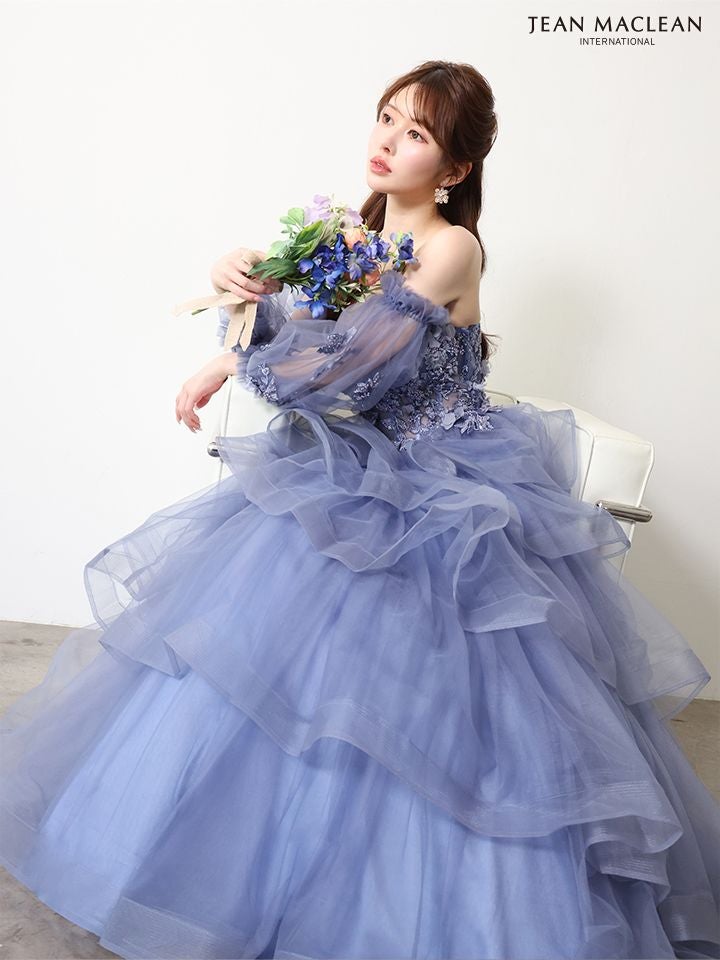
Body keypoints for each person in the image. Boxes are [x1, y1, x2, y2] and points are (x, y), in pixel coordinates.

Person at [1, 59, 718, 960]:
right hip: (356, 460)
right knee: (258, 642)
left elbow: (348, 364)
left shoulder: (452, 248)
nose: (387, 141)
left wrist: (235, 362)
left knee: (440, 683)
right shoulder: (351, 232)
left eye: (416, 133)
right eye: (386, 117)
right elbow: (295, 325)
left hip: (443, 474)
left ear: (453, 168)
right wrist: (237, 286)